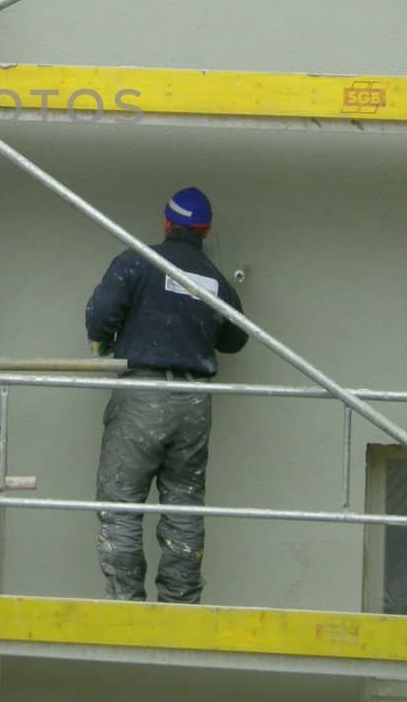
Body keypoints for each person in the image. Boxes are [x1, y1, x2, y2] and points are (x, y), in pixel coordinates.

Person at [85, 186, 248, 604]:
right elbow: (234, 339)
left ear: (166, 222)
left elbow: (100, 315)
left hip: (144, 393)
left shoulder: (139, 261)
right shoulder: (214, 280)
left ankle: (126, 605)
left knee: (121, 503)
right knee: (185, 504)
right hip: (194, 403)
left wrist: (103, 341)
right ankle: (179, 603)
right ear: (205, 230)